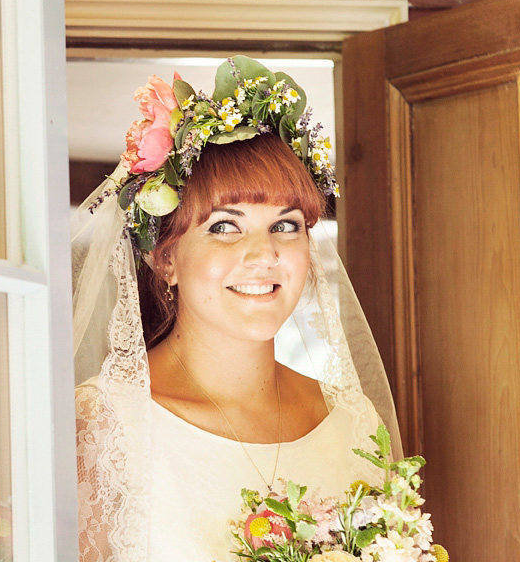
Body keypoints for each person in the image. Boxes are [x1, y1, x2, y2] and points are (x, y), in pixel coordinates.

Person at [72, 57, 402, 561]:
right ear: (166, 260)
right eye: (224, 226)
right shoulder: (108, 423)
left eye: (286, 225)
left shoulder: (351, 422)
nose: (263, 254)